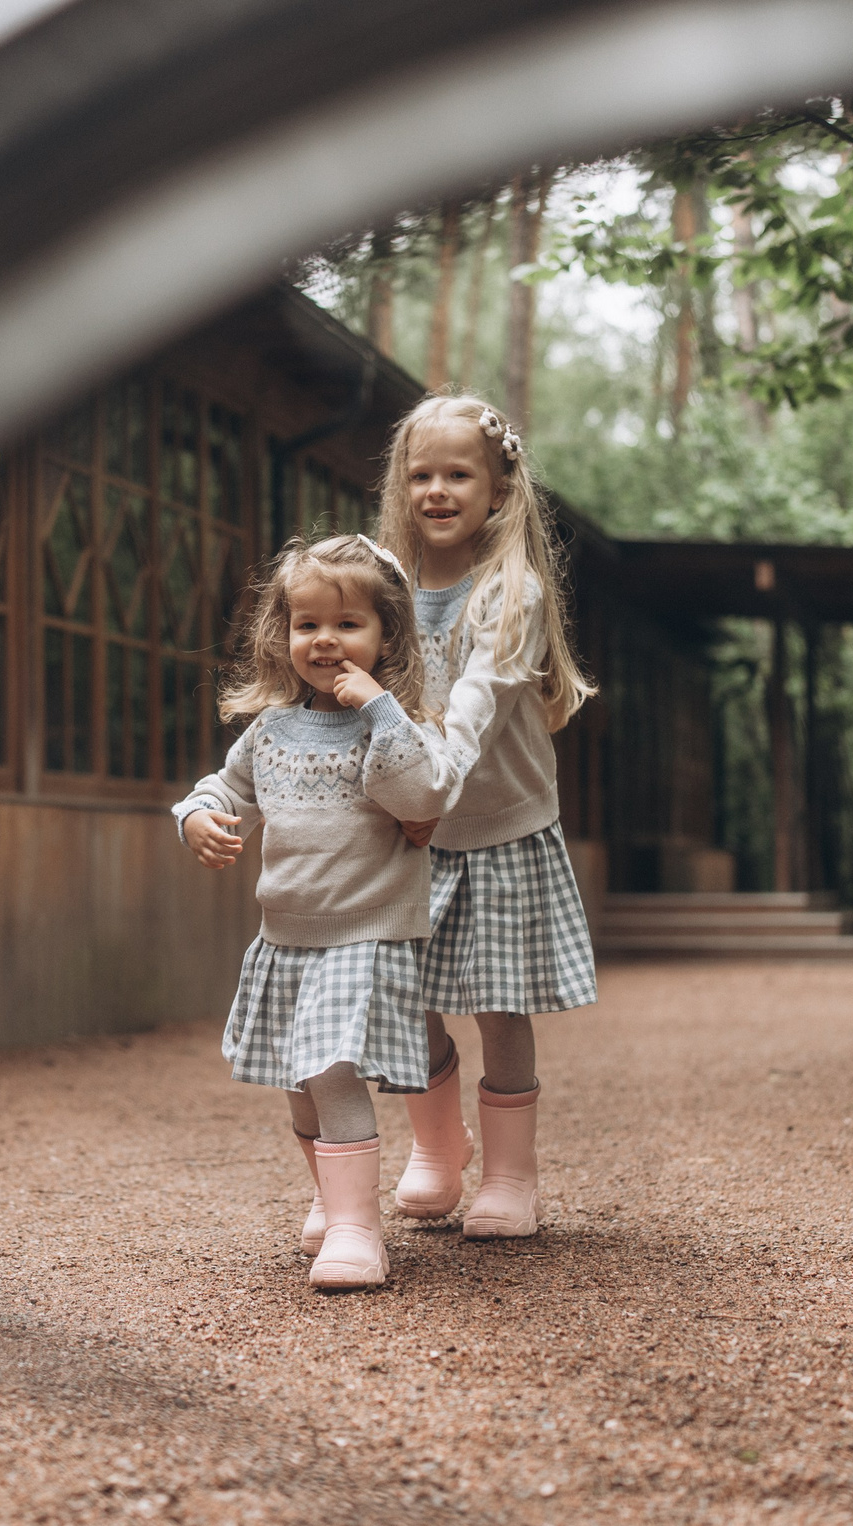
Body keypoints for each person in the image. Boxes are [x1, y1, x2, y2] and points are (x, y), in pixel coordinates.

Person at [174, 534, 453, 1291]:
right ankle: (336, 1200)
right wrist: (197, 814)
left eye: (348, 624)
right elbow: (226, 790)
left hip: (366, 931)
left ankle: (361, 1231)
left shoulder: (394, 724)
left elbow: (423, 797)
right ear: (283, 634)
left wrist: (382, 709)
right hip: (286, 937)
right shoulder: (269, 731)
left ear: (386, 635)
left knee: (329, 1070)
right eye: (307, 624)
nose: (325, 640)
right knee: (297, 1084)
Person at [376, 394, 598, 1240]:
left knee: (500, 1004)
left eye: (458, 474)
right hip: (409, 832)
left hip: (497, 827)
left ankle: (512, 1174)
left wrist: (425, 788)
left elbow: (472, 713)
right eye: (420, 473)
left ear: (498, 490)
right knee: (407, 995)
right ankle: (437, 1148)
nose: (437, 489)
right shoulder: (385, 586)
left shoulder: (513, 592)